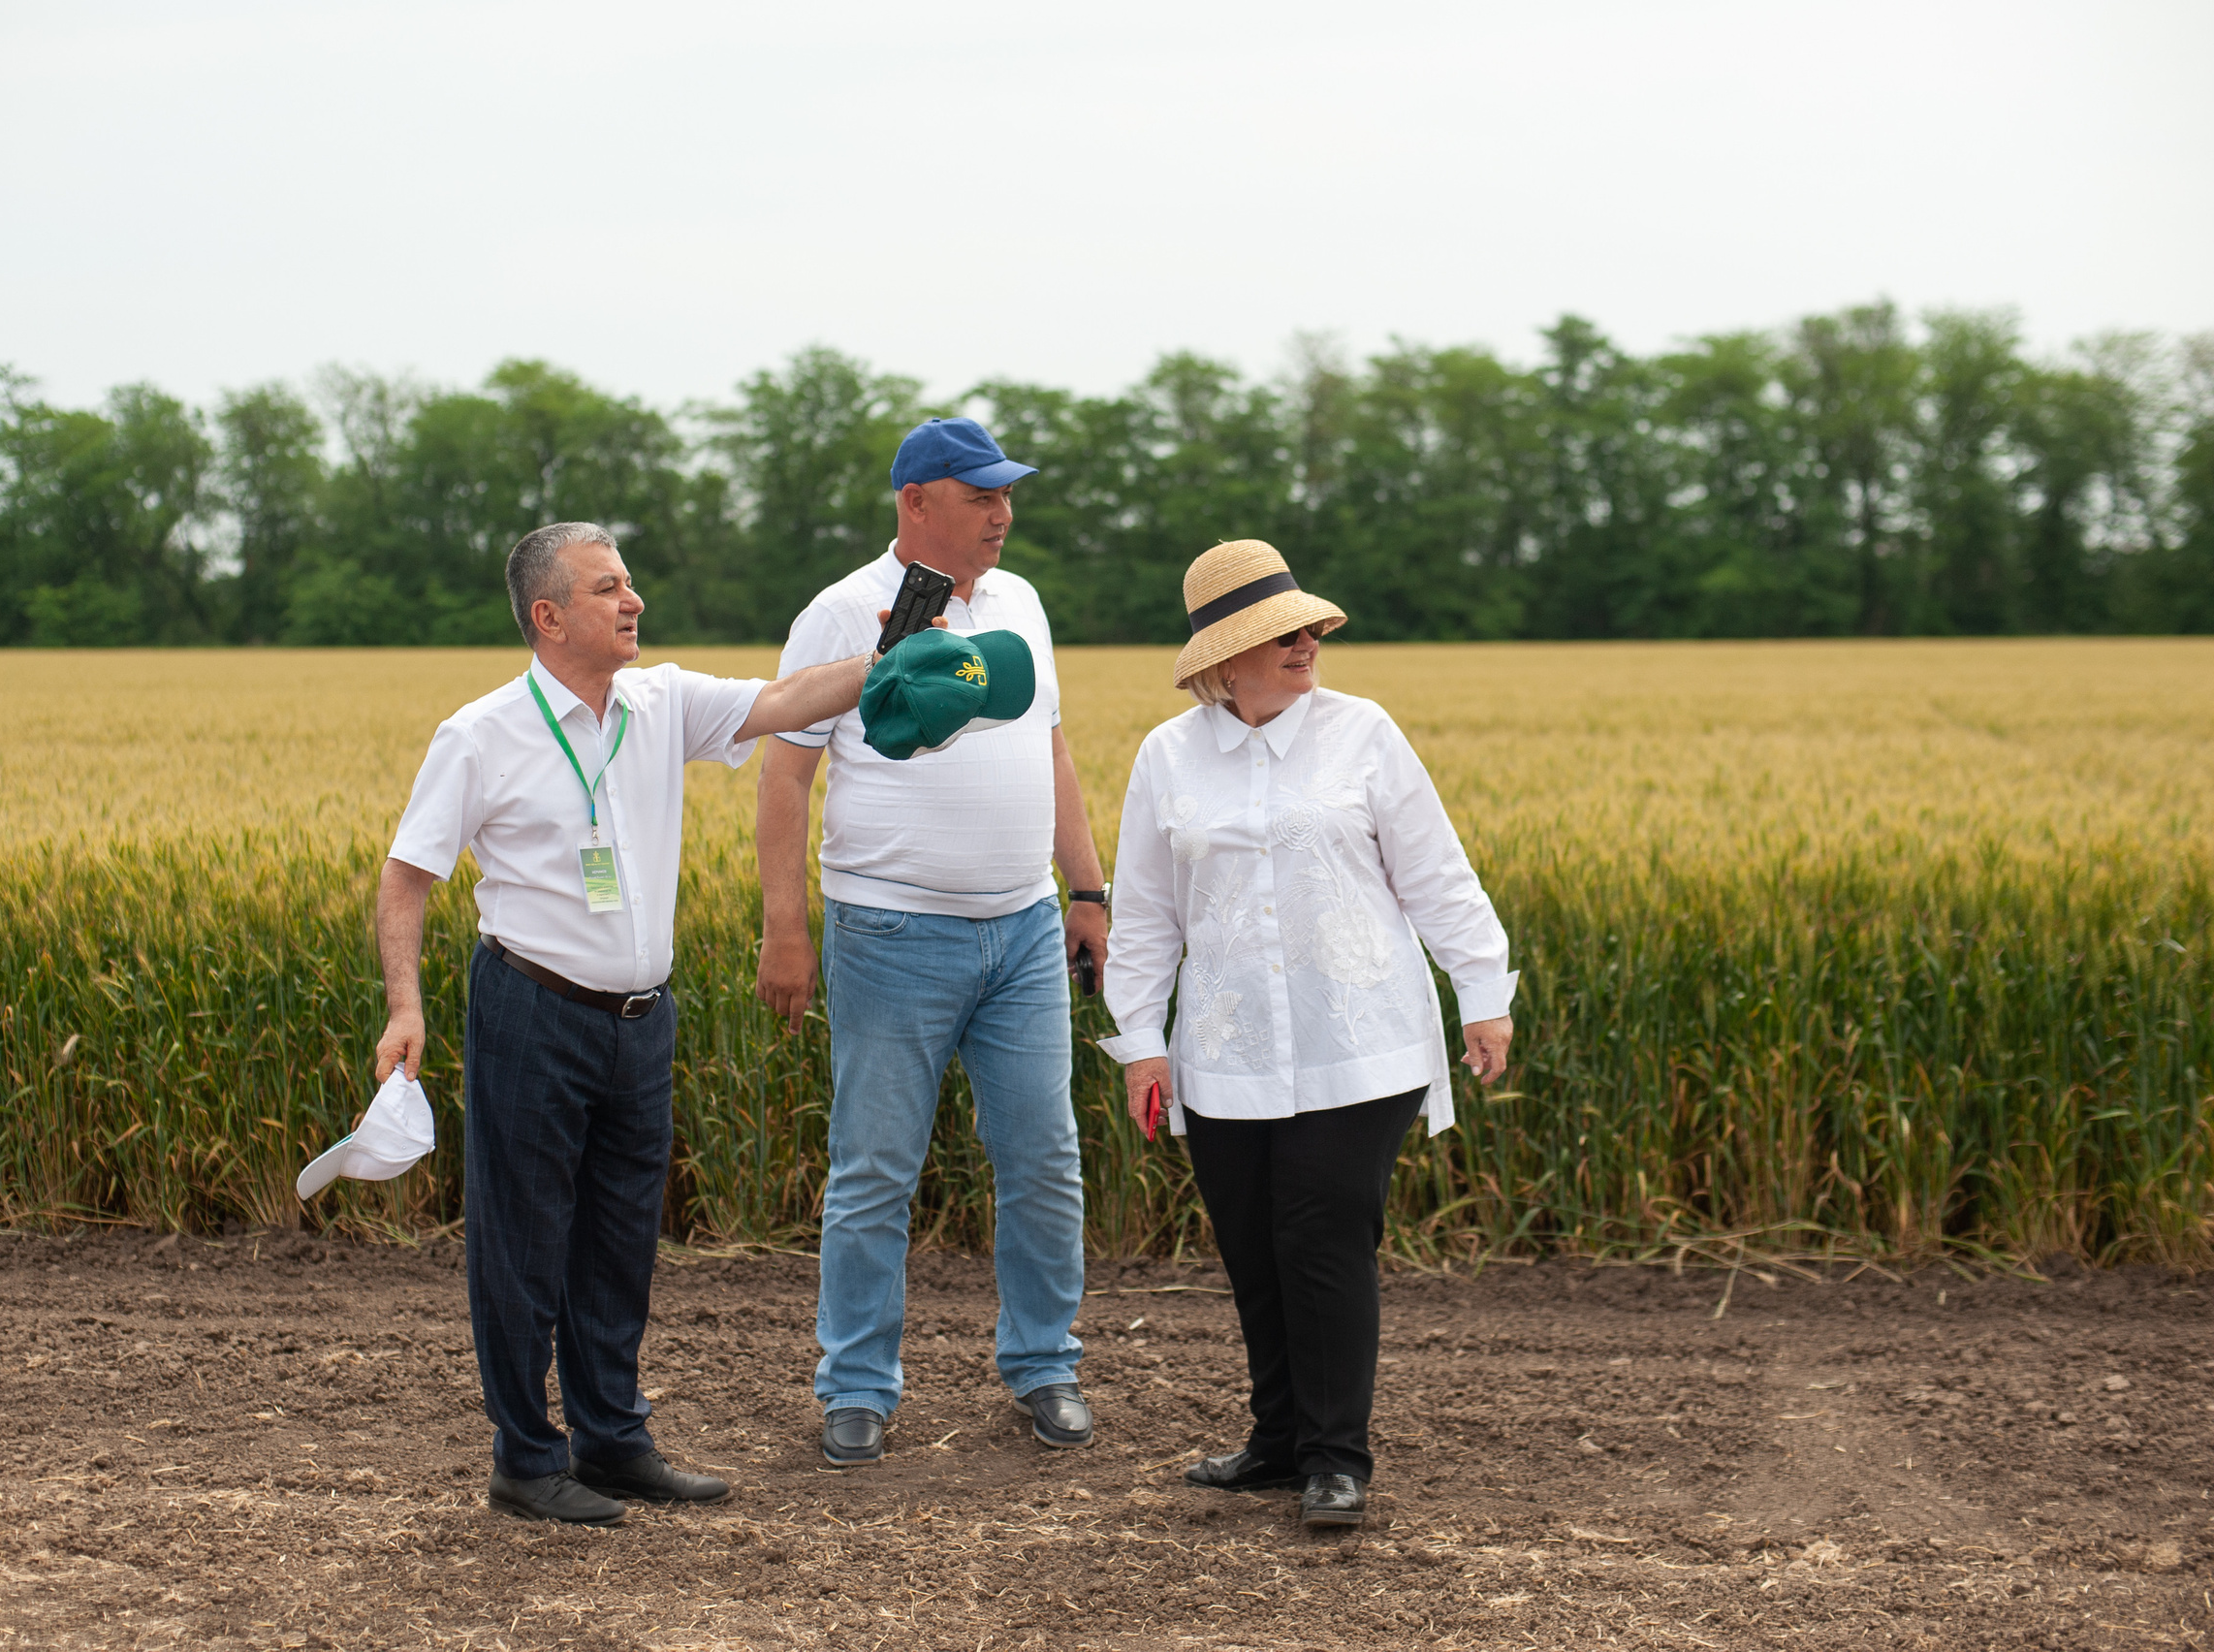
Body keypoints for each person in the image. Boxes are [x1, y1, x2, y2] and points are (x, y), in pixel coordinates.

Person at [374, 522, 885, 1526]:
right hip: (532, 1008)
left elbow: (787, 701)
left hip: (642, 1019)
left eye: (631, 581)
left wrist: (890, 657)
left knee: (618, 1245)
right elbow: (407, 876)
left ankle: (611, 1443)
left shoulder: (662, 701)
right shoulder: (479, 733)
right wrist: (405, 1005)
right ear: (548, 616)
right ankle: (526, 1458)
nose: (633, 600)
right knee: (521, 1247)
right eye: (609, 587)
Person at [1098, 539, 1517, 1529]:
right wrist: (1139, 1040)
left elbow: (1437, 875)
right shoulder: (1167, 755)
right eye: (1279, 634)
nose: (1306, 643)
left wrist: (1482, 991)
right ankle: (1278, 1442)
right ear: (1224, 657)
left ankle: (1337, 1457)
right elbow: (1149, 914)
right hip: (1227, 1048)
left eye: (1308, 627)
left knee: (1322, 1237)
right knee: (1251, 1244)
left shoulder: (1362, 733)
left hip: (1360, 1036)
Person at [755, 417, 1108, 1467]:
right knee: (875, 1169)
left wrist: (1086, 887)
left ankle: (1045, 1365)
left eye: (1008, 495)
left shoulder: (1022, 604)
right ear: (917, 502)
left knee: (1043, 1161)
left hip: (1025, 927)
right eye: (981, 495)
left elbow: (1049, 750)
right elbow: (783, 775)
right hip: (890, 932)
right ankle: (856, 1388)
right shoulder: (839, 610)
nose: (1003, 513)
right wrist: (786, 927)